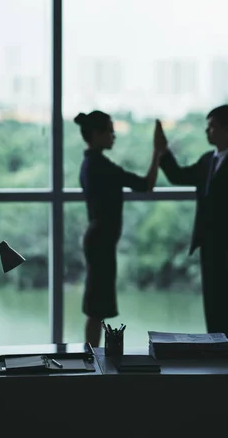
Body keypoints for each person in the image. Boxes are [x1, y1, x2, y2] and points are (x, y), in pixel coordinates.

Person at [155, 104, 228, 346]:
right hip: (208, 248)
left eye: (212, 127)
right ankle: (217, 363)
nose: (208, 132)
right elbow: (178, 176)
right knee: (213, 310)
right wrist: (163, 152)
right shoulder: (208, 161)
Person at [74, 110, 162, 347]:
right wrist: (157, 152)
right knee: (96, 308)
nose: (113, 135)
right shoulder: (101, 166)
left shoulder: (91, 164)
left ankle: (92, 356)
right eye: (109, 131)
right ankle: (93, 357)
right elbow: (146, 184)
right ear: (96, 134)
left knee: (96, 307)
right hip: (101, 241)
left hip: (99, 239)